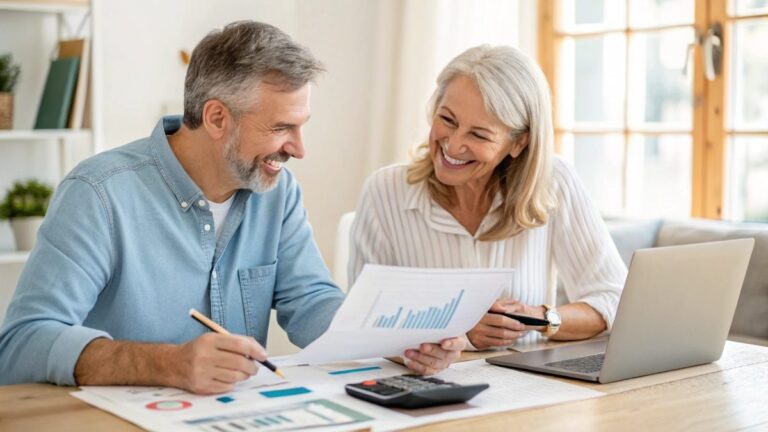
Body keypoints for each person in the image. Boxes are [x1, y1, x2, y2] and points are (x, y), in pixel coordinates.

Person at [0, 21, 463, 393]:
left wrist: (396, 342)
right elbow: (23, 343)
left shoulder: (278, 192)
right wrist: (168, 364)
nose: (299, 149)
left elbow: (311, 302)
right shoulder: (98, 192)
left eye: (301, 126)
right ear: (217, 117)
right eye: (282, 128)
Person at [349, 45, 627, 350]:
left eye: (479, 135)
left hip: (529, 385)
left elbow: (615, 299)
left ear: (518, 143)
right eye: (447, 120)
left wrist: (541, 319)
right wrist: (461, 332)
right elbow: (362, 321)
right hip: (422, 386)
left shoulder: (554, 182)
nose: (453, 146)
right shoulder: (385, 191)